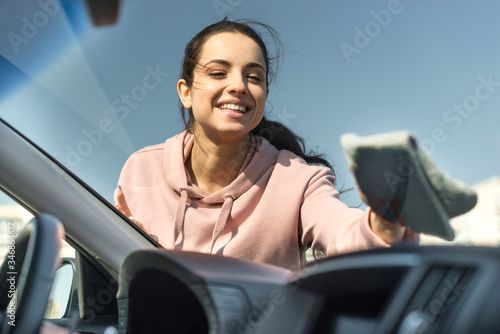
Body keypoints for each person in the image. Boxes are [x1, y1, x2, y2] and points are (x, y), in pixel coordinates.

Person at [114, 19, 418, 271]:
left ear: (264, 95)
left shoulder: (299, 181)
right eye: (218, 73)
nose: (239, 86)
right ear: (186, 92)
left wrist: (384, 224)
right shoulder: (141, 169)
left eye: (254, 77)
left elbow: (342, 230)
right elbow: (111, 258)